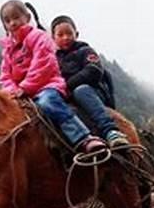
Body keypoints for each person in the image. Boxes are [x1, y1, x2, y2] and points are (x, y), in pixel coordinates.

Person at [0, 0, 105, 153]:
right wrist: (12, 91)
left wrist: (24, 87)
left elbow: (42, 65)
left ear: (27, 18)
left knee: (48, 102)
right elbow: (5, 75)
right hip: (20, 93)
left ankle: (83, 137)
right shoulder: (8, 49)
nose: (13, 23)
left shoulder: (39, 37)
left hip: (45, 86)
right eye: (8, 20)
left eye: (16, 17)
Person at [50, 15, 129, 148]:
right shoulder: (53, 59)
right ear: (53, 38)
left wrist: (66, 86)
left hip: (92, 92)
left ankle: (111, 131)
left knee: (80, 90)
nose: (65, 37)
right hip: (68, 95)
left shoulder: (85, 51)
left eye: (69, 33)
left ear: (77, 34)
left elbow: (94, 70)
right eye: (60, 34)